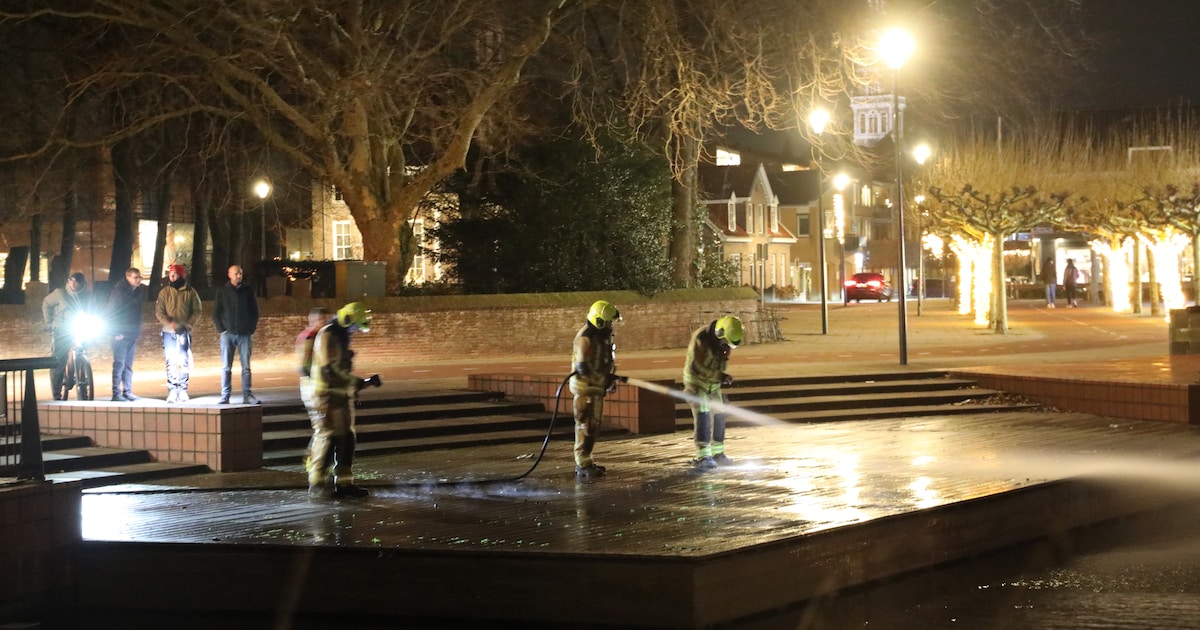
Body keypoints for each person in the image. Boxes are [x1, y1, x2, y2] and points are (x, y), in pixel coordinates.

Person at [308, 302, 381, 499]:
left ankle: (344, 484)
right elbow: (329, 371)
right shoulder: (328, 335)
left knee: (346, 438)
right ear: (346, 319)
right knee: (327, 438)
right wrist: (359, 382)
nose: (355, 331)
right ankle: (317, 484)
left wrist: (361, 384)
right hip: (327, 396)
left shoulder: (340, 337)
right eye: (354, 327)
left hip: (340, 395)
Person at [568, 300, 622, 479]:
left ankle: (587, 460)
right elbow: (584, 368)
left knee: (594, 426)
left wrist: (610, 378)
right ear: (598, 321)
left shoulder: (602, 337)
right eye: (608, 322)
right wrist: (603, 379)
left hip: (597, 388)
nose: (610, 326)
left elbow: (606, 361)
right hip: (586, 389)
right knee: (585, 425)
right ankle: (582, 462)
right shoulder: (585, 338)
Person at [683, 315, 744, 470]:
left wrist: (721, 375)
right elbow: (698, 367)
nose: (726, 347)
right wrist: (720, 376)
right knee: (703, 413)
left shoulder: (721, 342)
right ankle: (703, 456)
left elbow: (718, 365)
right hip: (696, 383)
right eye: (725, 343)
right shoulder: (701, 339)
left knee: (719, 413)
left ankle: (718, 453)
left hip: (713, 384)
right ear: (719, 333)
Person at [212, 265, 261, 404]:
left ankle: (247, 395)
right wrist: (222, 330)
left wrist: (251, 329)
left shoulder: (248, 290)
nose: (238, 276)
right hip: (228, 334)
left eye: (240, 273)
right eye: (236, 274)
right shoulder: (222, 291)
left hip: (244, 334)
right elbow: (216, 312)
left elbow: (254, 312)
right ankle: (225, 395)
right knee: (226, 367)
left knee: (246, 367)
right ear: (229, 275)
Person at [155, 263, 202, 403]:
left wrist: (189, 323)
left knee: (183, 360)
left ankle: (183, 389)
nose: (172, 276)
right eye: (171, 273)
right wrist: (169, 323)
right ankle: (172, 389)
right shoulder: (164, 293)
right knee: (170, 360)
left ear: (181, 275)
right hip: (169, 332)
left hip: (184, 331)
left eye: (175, 273)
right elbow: (159, 311)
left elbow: (197, 310)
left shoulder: (191, 292)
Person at [42, 272, 90, 400]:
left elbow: (93, 310)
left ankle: (83, 386)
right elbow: (46, 303)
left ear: (82, 284)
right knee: (60, 360)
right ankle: (57, 392)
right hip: (62, 329)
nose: (73, 283)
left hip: (80, 327)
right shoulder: (60, 293)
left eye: (76, 281)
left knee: (81, 353)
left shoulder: (87, 296)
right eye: (71, 280)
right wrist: (49, 322)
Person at [106, 267, 146, 402]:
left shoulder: (137, 292)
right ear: (128, 278)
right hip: (120, 335)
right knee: (119, 364)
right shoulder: (119, 292)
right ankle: (116, 393)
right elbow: (111, 312)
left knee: (128, 365)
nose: (138, 280)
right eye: (135, 277)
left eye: (139, 277)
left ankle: (127, 391)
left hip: (131, 334)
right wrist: (115, 332)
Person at [295, 306, 330, 434]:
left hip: (316, 385)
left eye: (325, 320)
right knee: (321, 428)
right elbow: (304, 364)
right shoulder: (310, 337)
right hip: (312, 387)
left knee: (322, 427)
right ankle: (314, 453)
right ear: (312, 321)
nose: (324, 323)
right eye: (321, 320)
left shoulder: (318, 335)